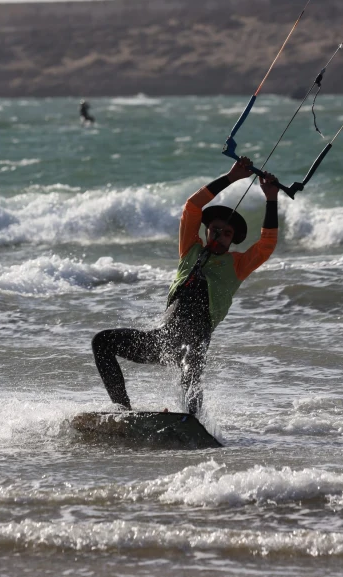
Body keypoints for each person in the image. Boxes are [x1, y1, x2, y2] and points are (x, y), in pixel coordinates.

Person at [91, 156, 278, 415]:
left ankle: (192, 425)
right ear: (207, 231)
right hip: (163, 339)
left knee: (191, 369)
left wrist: (271, 198)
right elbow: (192, 206)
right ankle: (123, 410)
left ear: (232, 240)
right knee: (101, 342)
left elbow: (266, 245)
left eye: (227, 234)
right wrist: (231, 177)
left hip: (195, 340)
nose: (220, 236)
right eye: (215, 230)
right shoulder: (190, 250)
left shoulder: (237, 265)